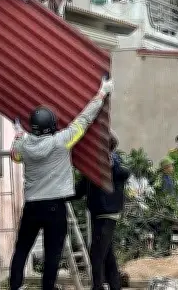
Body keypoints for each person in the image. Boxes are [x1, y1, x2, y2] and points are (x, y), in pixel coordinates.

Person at [8, 76, 114, 290]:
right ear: (53, 125)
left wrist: (19, 133)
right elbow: (84, 120)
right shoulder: (62, 141)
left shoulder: (24, 147)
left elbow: (15, 156)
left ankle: (15, 286)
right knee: (53, 254)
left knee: (21, 250)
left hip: (32, 207)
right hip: (55, 207)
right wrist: (102, 93)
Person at [74, 135, 131, 290]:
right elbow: (80, 190)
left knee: (97, 255)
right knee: (107, 255)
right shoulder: (93, 166)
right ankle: (115, 285)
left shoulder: (116, 165)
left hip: (107, 214)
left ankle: (97, 287)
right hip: (99, 214)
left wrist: (112, 164)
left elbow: (125, 174)